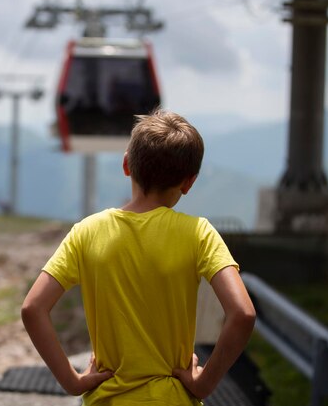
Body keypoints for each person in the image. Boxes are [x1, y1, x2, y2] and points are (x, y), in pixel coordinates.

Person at [21, 109, 256, 405]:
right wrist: (205, 382)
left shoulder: (87, 232)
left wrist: (72, 381)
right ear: (189, 182)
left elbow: (33, 308)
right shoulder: (199, 233)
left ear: (126, 165)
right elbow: (243, 314)